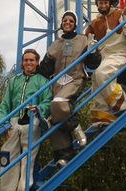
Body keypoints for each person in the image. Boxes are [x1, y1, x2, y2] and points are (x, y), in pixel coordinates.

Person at [38, 11, 100, 167]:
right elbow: (45, 70)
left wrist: (93, 51)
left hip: (75, 79)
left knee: (58, 104)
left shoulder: (82, 40)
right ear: (61, 23)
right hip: (58, 83)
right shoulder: (56, 44)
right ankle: (64, 154)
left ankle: (76, 128)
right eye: (65, 20)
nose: (67, 23)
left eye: (71, 21)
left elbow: (93, 63)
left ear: (75, 24)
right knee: (53, 118)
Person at [0, 49, 52, 191]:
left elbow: (48, 101)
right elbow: (5, 104)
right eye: (26, 60)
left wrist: (38, 109)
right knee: (7, 157)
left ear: (37, 62)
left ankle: (23, 187)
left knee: (29, 159)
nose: (28, 63)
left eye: (32, 60)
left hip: (32, 122)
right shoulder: (14, 81)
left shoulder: (42, 81)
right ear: (22, 63)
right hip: (13, 123)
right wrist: (1, 124)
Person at [85, 0, 126, 126]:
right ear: (97, 4)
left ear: (109, 3)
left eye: (105, 3)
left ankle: (122, 104)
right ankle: (101, 114)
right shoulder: (95, 23)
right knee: (96, 76)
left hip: (118, 53)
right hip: (104, 56)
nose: (103, 5)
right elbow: (85, 41)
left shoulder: (120, 14)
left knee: (102, 74)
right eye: (100, 3)